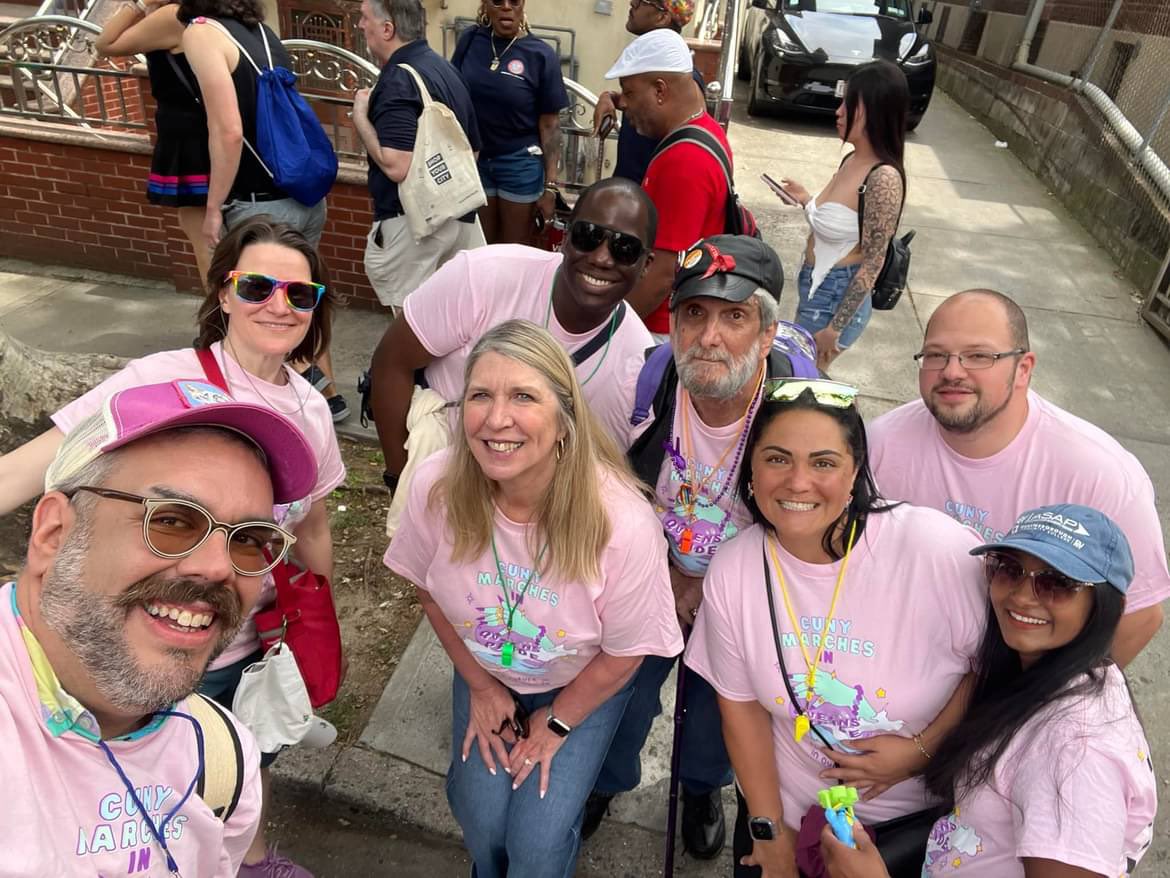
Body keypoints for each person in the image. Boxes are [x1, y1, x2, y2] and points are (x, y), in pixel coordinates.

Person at [0, 218, 346, 878]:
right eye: (257, 287)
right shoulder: (158, 381)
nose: (279, 305)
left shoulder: (309, 409)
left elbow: (315, 526)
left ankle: (246, 856)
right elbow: (31, 468)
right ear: (221, 293)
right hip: (160, 633)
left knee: (238, 760)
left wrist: (311, 624)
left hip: (253, 638)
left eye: (300, 295)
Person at [383, 319, 682, 878]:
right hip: (485, 668)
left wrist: (559, 722)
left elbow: (626, 652)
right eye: (480, 396)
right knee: (480, 819)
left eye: (523, 396)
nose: (497, 419)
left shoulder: (622, 522)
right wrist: (479, 684)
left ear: (564, 417)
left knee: (538, 845)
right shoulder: (439, 485)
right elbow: (426, 588)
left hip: (582, 680)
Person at [1, 379, 319, 875]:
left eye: (249, 539)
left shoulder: (221, 757)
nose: (219, 569)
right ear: (53, 534)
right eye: (172, 521)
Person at [684, 378, 987, 878]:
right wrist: (768, 828)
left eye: (823, 463)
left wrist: (920, 751)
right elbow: (741, 710)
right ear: (751, 471)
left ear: (855, 475)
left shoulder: (936, 550)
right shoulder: (735, 569)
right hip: (788, 812)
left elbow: (992, 668)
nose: (798, 482)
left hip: (911, 830)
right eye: (778, 458)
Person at [584, 235, 814, 857]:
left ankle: (702, 786)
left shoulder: (798, 416)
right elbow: (613, 483)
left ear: (766, 334)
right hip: (655, 571)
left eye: (734, 316)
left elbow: (805, 538)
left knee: (715, 710)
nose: (709, 336)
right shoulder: (651, 378)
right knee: (625, 693)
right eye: (694, 313)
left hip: (743, 592)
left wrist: (708, 587)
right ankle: (605, 783)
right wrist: (664, 571)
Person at [821, 504, 1157, 878]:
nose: (1022, 596)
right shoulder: (1060, 678)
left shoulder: (1076, 750)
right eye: (1009, 569)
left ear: (1109, 605)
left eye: (1057, 583)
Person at [867, 289, 1169, 667]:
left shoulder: (1099, 475)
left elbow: (1140, 615)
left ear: (1023, 368)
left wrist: (1038, 707)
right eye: (936, 355)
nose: (952, 371)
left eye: (979, 356)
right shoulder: (881, 444)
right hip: (904, 665)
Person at [369, 177, 656, 536]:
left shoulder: (635, 363)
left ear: (646, 265)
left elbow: (601, 475)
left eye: (625, 248)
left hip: (527, 510)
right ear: (565, 236)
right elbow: (391, 363)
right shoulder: (485, 275)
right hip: (442, 463)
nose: (601, 257)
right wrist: (400, 478)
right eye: (588, 236)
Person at [179, 0, 348, 422]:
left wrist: (214, 207)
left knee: (259, 320)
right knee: (299, 304)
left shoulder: (202, 33)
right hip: (303, 197)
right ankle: (325, 398)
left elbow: (229, 130)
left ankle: (272, 415)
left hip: (261, 207)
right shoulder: (261, 32)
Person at [354, 0, 486, 314]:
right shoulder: (443, 68)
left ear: (388, 29)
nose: (360, 25)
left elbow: (396, 164)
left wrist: (360, 115)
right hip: (458, 214)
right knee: (454, 318)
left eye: (364, 17)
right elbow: (473, 149)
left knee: (414, 327)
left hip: (413, 224)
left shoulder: (400, 78)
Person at [777, 60, 908, 372]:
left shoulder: (883, 178)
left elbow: (873, 261)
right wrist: (806, 199)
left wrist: (835, 328)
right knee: (796, 378)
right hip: (816, 289)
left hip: (834, 301)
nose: (839, 112)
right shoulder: (852, 159)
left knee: (797, 380)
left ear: (875, 111)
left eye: (849, 105)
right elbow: (840, 223)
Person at [605, 28, 731, 340]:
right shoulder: (706, 129)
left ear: (660, 90)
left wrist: (602, 334)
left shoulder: (682, 160)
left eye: (630, 93)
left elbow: (661, 275)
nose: (625, 106)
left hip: (659, 329)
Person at [96, 0, 214, 282]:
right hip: (215, 129)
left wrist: (138, 4)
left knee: (205, 238)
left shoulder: (172, 16)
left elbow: (106, 43)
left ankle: (222, 319)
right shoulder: (214, 12)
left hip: (189, 138)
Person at [450, 0, 568, 246]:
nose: (506, 7)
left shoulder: (540, 54)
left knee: (512, 250)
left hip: (519, 164)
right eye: (497, 1)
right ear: (486, 6)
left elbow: (550, 126)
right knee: (480, 247)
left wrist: (551, 187)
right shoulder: (470, 40)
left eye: (514, 1)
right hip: (476, 163)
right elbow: (452, 94)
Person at [591, 0, 702, 184]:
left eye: (643, 2)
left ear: (662, 16)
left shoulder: (683, 78)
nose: (633, 3)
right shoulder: (652, 69)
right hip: (629, 195)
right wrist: (610, 97)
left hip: (646, 201)